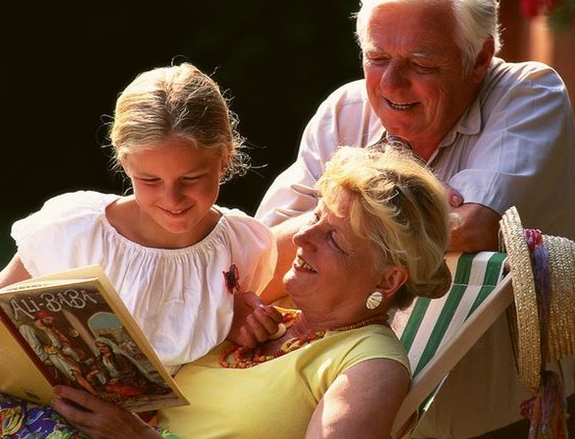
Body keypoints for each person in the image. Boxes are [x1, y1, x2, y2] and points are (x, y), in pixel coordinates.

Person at [255, 0, 575, 437]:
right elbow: (263, 261)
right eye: (377, 58)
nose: (391, 83)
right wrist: (382, 219)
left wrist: (340, 221)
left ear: (480, 58)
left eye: (421, 63)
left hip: (522, 427)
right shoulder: (343, 111)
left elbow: (478, 226)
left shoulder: (529, 94)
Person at [0, 62, 277, 438]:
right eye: (149, 180)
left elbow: (215, 344)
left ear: (225, 157)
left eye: (191, 179)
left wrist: (245, 327)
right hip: (30, 404)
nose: (172, 198)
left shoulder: (242, 245)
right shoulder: (76, 229)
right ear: (124, 163)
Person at [43, 145, 453, 438]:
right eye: (315, 216)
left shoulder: (372, 366)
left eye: (334, 237)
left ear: (387, 280)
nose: (304, 236)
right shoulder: (262, 318)